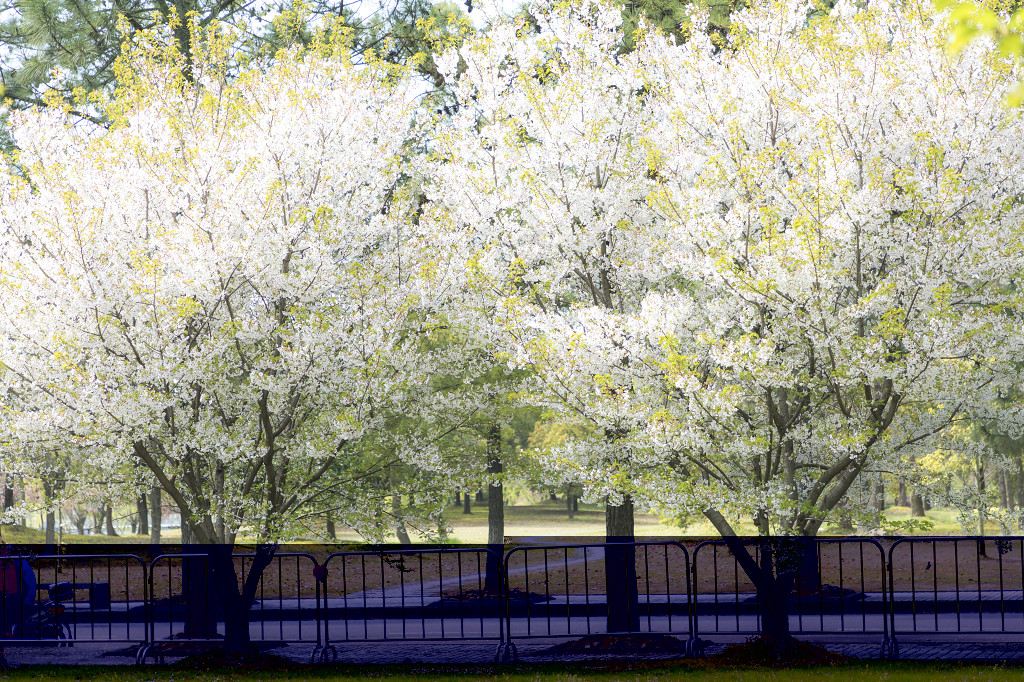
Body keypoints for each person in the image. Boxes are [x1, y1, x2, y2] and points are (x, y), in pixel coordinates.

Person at [0, 528, 36, 667]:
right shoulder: (11, 553)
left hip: (8, 597)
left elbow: (28, 577)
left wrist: (28, 599)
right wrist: (28, 599)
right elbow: (29, 578)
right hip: (10, 596)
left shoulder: (11, 554)